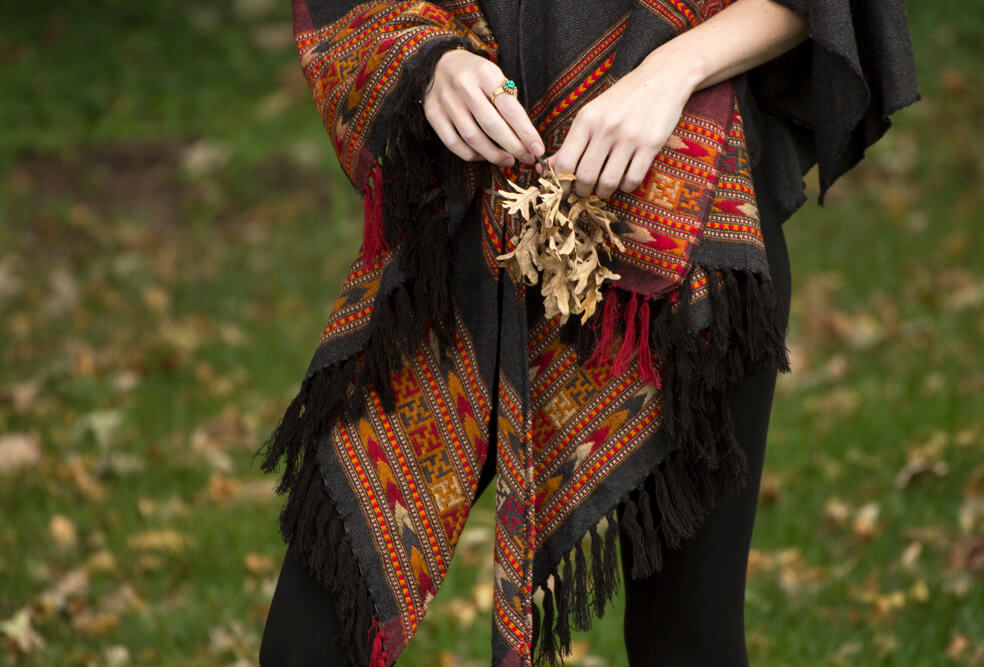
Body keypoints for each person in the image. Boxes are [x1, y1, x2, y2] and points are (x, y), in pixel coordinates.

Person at [256, 1, 919, 665]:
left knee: (687, 644)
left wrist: (671, 70)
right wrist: (432, 61)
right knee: (307, 644)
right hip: (451, 230)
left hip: (674, 239)